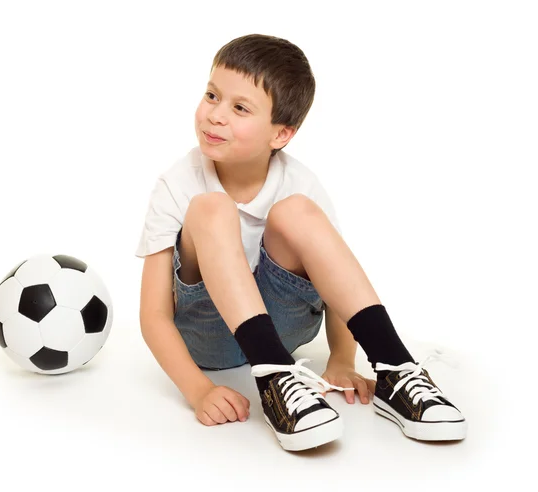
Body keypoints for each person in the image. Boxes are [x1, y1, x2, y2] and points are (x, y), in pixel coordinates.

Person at [136, 34, 467, 451]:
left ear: (281, 134)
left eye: (239, 108)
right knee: (210, 209)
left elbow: (335, 285)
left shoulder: (300, 182)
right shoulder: (177, 184)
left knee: (297, 210)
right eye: (212, 95)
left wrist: (342, 360)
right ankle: (274, 376)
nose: (215, 116)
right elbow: (153, 315)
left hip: (284, 324)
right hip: (210, 336)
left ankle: (395, 368)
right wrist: (198, 391)